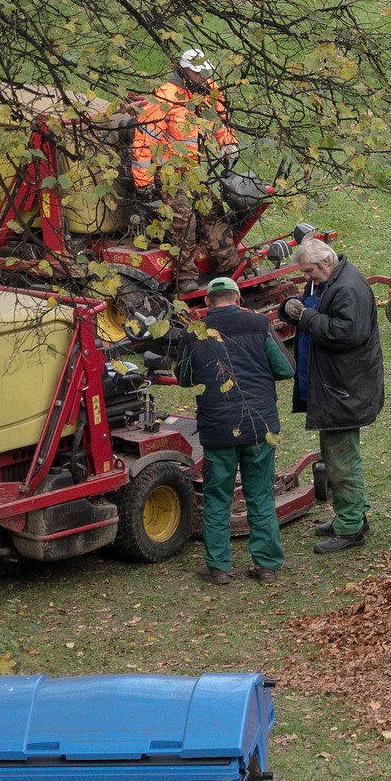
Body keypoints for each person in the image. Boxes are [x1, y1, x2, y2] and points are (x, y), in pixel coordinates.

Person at [175, 276, 295, 584]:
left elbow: (185, 378)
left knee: (218, 498)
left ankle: (219, 567)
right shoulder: (258, 325)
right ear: (239, 298)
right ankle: (266, 565)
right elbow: (286, 368)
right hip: (259, 425)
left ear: (206, 303)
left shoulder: (195, 333)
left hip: (217, 428)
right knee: (261, 495)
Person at [280, 236, 384, 554]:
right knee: (339, 455)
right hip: (335, 387)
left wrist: (305, 318)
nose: (306, 278)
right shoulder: (328, 282)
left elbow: (346, 333)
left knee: (341, 460)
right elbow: (312, 310)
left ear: (325, 263)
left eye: (309, 271)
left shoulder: (349, 288)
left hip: (344, 390)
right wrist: (290, 309)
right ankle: (351, 515)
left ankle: (351, 528)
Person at [132, 48, 241, 294]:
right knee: (184, 220)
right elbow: (143, 143)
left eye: (204, 73)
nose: (202, 77)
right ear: (184, 71)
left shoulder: (208, 90)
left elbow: (219, 119)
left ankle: (230, 266)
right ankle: (186, 278)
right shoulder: (164, 98)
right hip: (167, 173)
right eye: (197, 73)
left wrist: (228, 142)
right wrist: (144, 183)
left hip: (191, 171)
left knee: (211, 210)